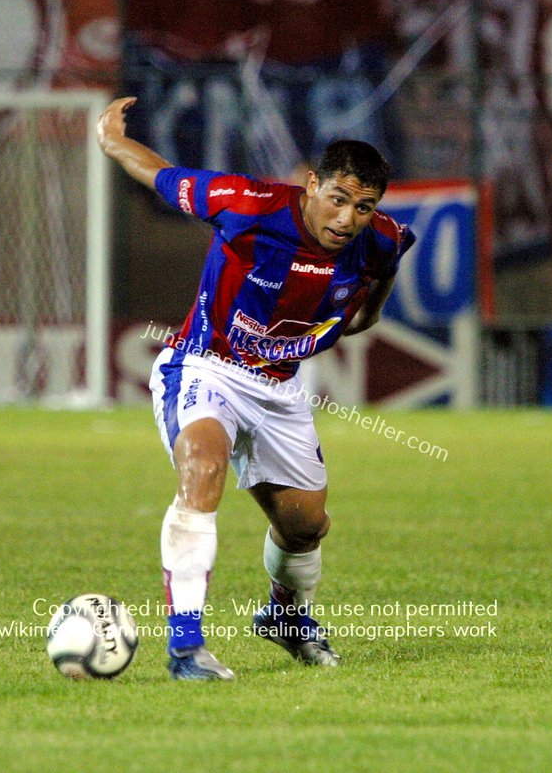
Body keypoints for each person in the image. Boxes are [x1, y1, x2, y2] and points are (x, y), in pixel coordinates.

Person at [98, 96, 416, 680]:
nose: (347, 219)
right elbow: (164, 177)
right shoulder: (248, 205)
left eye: (364, 208)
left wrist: (359, 306)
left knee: (305, 526)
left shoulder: (383, 241)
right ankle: (186, 648)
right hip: (205, 366)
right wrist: (112, 141)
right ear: (312, 184)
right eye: (338, 199)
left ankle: (286, 619)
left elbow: (375, 292)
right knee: (203, 470)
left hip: (279, 391)